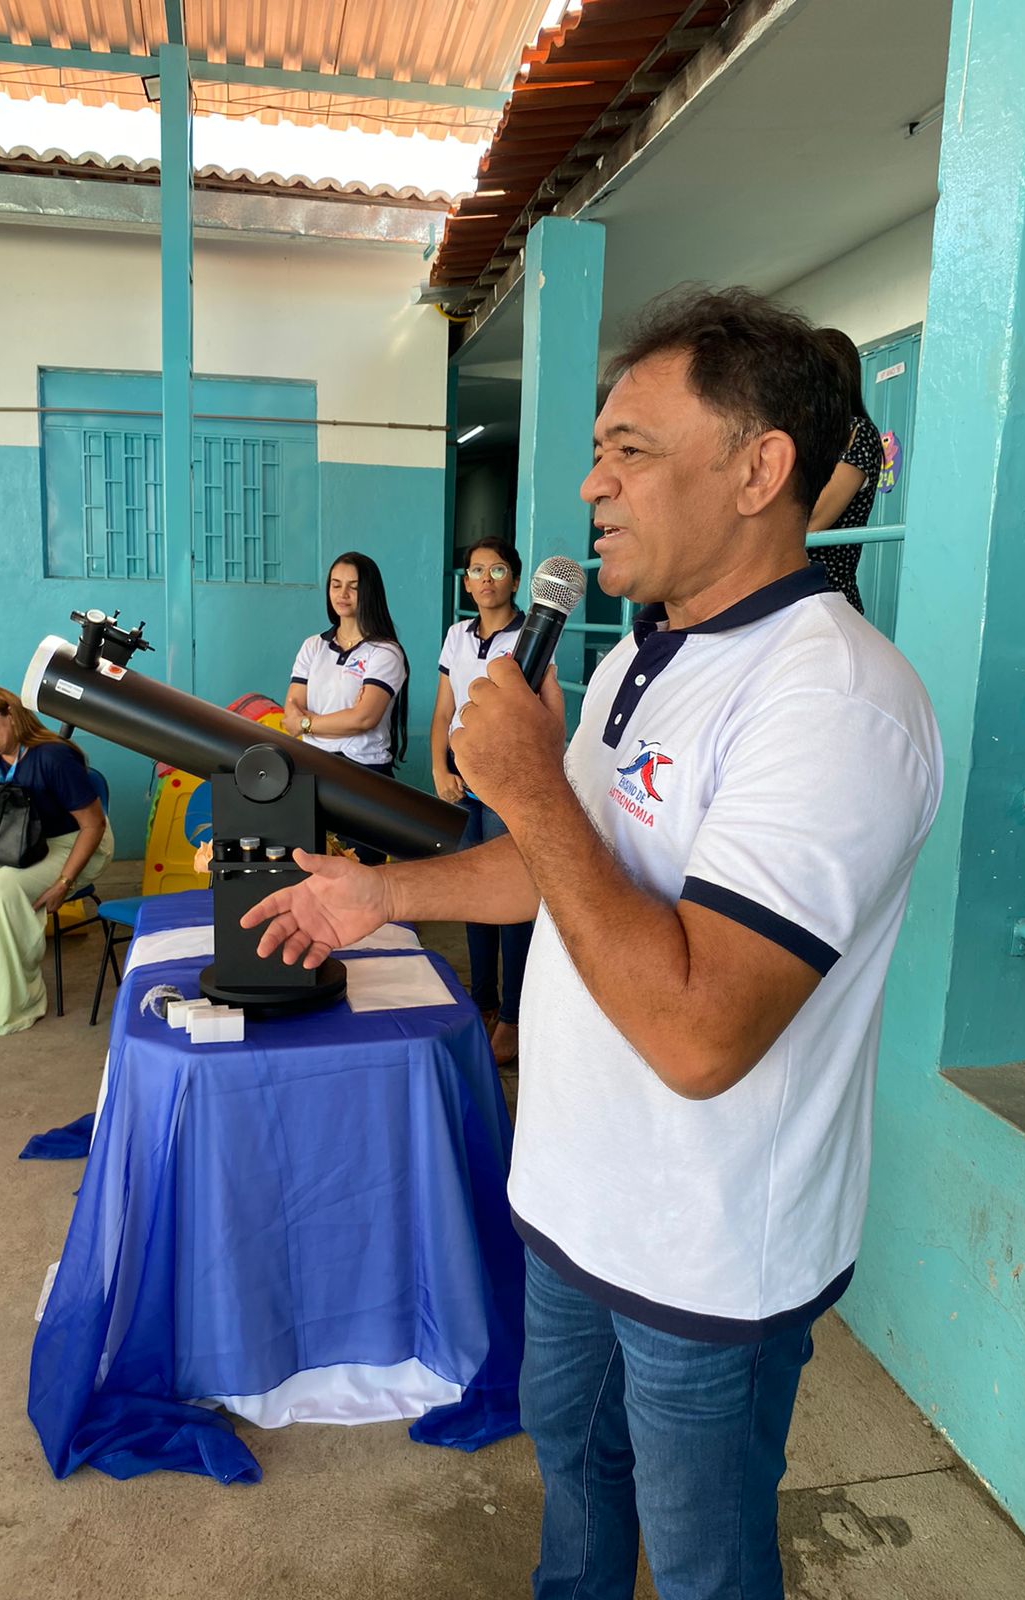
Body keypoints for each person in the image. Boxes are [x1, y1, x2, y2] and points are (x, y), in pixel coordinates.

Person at [238, 287, 943, 1599]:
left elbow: (698, 1033)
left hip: (706, 1254)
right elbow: (567, 871)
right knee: (571, 1467)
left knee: (704, 1555)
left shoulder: (837, 702)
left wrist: (529, 785)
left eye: (631, 449)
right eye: (598, 450)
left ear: (758, 470)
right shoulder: (636, 662)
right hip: (572, 1202)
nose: (590, 484)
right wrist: (386, 897)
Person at [0, 687, 114, 1036]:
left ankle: (20, 1002)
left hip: (75, 841)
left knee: (4, 888)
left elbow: (93, 825)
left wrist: (64, 883)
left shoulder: (53, 756)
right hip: (21, 841)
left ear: (11, 713)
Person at [430, 537, 533, 1066]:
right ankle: (483, 1002)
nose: (485, 579)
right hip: (460, 779)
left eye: (496, 569)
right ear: (466, 582)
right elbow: (443, 708)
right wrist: (438, 767)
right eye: (475, 570)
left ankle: (513, 1016)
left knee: (509, 899)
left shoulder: (530, 637)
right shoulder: (457, 635)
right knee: (474, 893)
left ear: (514, 578)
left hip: (505, 781)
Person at [283, 551, 409, 864]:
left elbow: (364, 718)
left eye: (353, 587)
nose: (343, 594)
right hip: (311, 769)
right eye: (336, 585)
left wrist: (308, 724)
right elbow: (291, 711)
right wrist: (337, 719)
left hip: (363, 775)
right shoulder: (314, 646)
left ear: (370, 593)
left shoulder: (385, 652)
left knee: (361, 872)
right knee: (310, 868)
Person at [806, 326, 885, 613]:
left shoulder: (858, 432)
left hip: (827, 593)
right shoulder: (812, 435)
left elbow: (814, 521)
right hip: (798, 591)